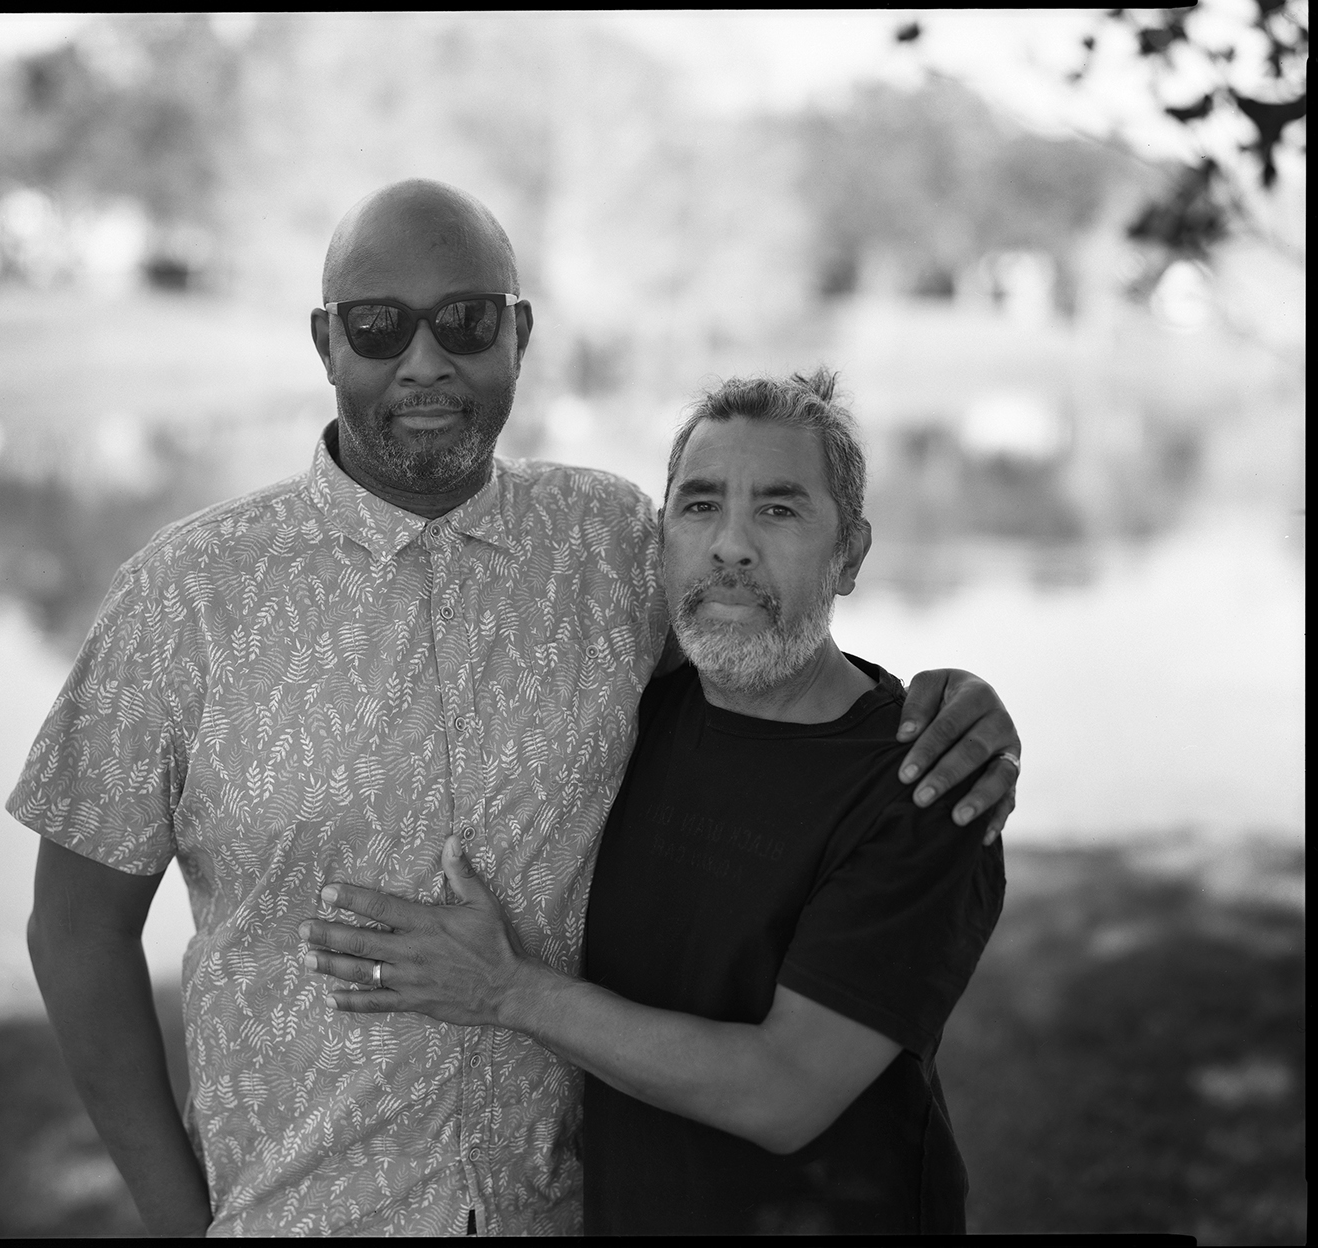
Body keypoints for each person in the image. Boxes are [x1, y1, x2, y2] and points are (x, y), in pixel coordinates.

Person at [12, 180, 1022, 1237]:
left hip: (570, 1210)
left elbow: (757, 646)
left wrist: (942, 701)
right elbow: (76, 934)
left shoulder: (606, 540)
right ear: (325, 341)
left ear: (518, 331)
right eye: (377, 325)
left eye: (464, 320)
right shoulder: (186, 593)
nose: (424, 362)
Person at [304, 370, 1007, 1235]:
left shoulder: (924, 786)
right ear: (662, 538)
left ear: (850, 554)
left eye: (779, 510)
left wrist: (503, 991)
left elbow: (784, 1090)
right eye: (700, 506)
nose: (732, 546)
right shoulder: (631, 722)